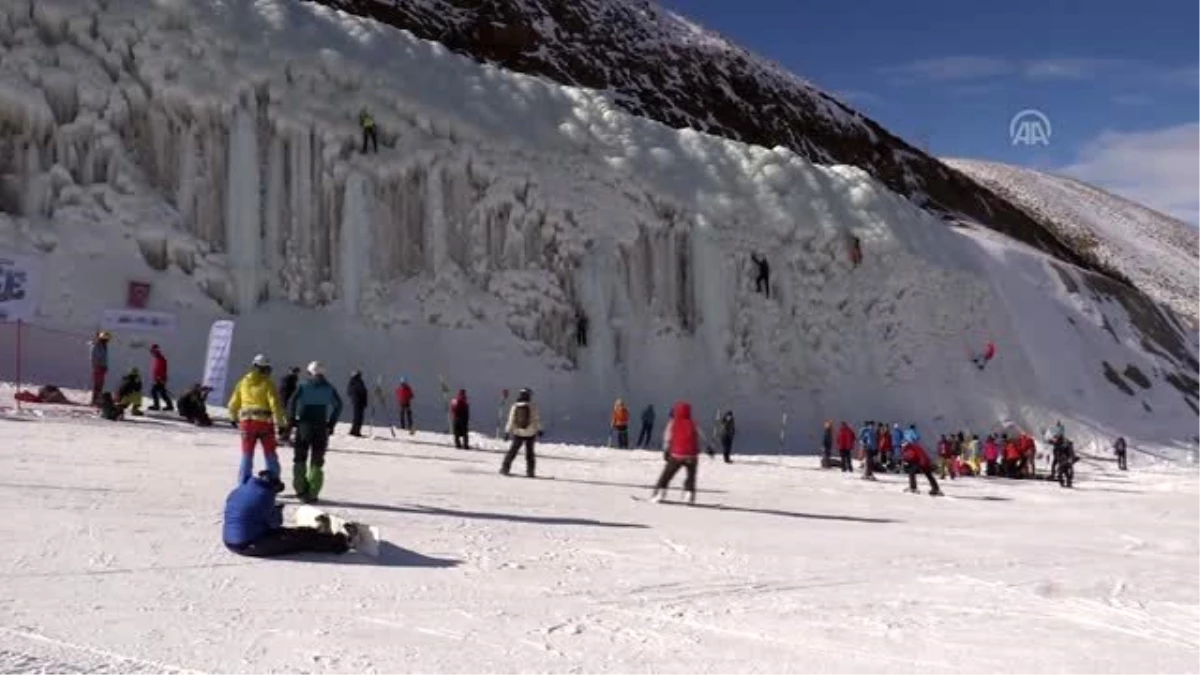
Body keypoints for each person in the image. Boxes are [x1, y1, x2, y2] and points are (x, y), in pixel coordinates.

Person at [223, 471, 361, 558]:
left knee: (290, 533)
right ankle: (343, 543)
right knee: (297, 541)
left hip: (235, 539)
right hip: (248, 544)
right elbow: (275, 524)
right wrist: (277, 510)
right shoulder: (264, 495)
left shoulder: (241, 490)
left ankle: (318, 533)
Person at [228, 354, 286, 486]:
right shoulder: (267, 383)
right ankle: (273, 481)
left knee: (247, 454)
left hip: (246, 424)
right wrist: (280, 423)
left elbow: (233, 403)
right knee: (270, 453)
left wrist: (233, 417)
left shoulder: (243, 382)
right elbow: (275, 404)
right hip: (264, 424)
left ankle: (243, 482)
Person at [289, 361, 343, 503]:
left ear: (310, 373)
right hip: (321, 427)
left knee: (300, 457)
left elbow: (292, 402)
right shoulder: (329, 388)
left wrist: (292, 419)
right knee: (317, 460)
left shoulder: (303, 386)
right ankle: (313, 492)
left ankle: (300, 489)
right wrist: (331, 424)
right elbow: (338, 405)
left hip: (304, 425)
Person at [650, 401, 703, 504]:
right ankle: (689, 494)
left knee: (666, 475)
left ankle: (660, 493)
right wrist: (708, 448)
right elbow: (701, 435)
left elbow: (667, 437)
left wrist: (666, 451)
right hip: (692, 456)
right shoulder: (692, 422)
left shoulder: (673, 422)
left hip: (677, 454)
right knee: (691, 476)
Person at [501, 388, 541, 477]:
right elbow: (536, 419)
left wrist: (507, 432)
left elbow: (510, 420)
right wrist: (539, 430)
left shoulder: (515, 406)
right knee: (530, 453)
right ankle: (530, 471)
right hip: (530, 433)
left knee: (512, 451)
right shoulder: (532, 406)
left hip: (518, 432)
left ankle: (505, 468)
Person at [278, 367, 301, 443]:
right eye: (295, 371)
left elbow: (281, 390)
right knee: (289, 420)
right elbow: (287, 391)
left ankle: (282, 435)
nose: (296, 373)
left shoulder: (287, 378)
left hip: (284, 401)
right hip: (288, 402)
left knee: (285, 419)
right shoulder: (290, 379)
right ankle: (284, 437)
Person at [147, 344, 173, 411]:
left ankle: (157, 406)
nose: (152, 353)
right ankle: (169, 406)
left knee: (154, 391)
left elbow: (162, 369)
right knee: (162, 393)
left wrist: (160, 378)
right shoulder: (158, 358)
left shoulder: (160, 358)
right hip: (159, 379)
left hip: (160, 379)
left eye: (153, 351)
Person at [89, 330, 111, 406]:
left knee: (100, 385)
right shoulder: (97, 346)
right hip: (98, 368)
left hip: (102, 368)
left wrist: (105, 366)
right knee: (97, 385)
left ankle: (97, 400)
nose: (107, 341)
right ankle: (95, 400)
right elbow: (94, 357)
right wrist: (97, 366)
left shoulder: (103, 346)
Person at [346, 370, 368, 437]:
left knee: (357, 417)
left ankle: (354, 431)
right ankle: (356, 431)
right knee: (358, 417)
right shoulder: (357, 382)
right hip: (358, 402)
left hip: (357, 402)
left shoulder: (353, 382)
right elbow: (361, 391)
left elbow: (349, 392)